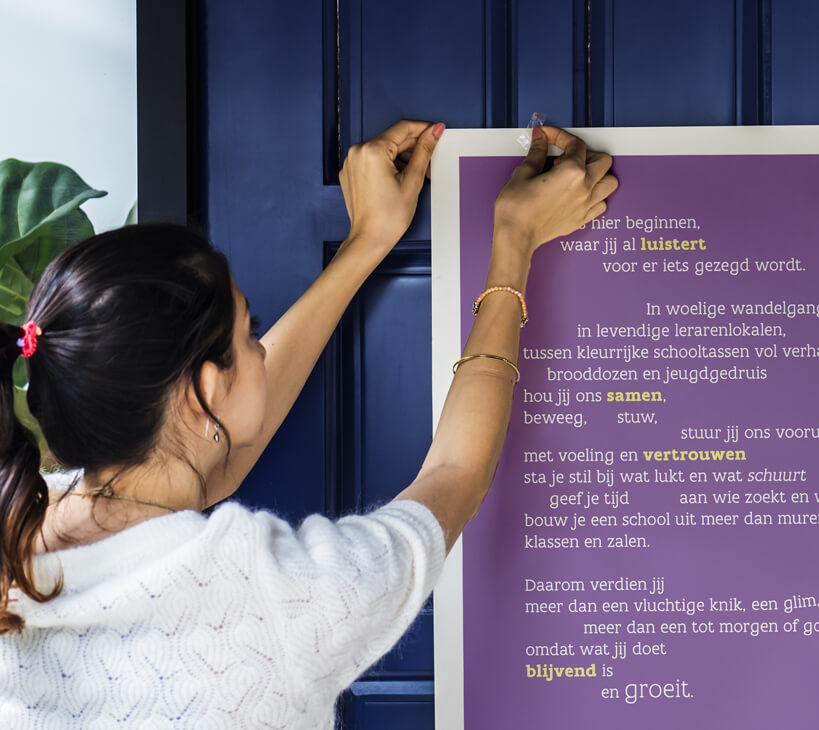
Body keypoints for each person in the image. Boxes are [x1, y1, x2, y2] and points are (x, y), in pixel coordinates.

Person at [0, 119, 616, 727]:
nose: (261, 350)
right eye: (249, 333)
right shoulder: (278, 598)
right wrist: (514, 241)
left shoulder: (18, 533)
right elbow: (457, 474)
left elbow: (211, 455)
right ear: (205, 391)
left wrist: (368, 240)